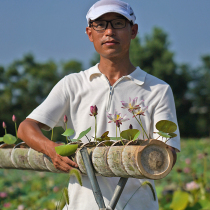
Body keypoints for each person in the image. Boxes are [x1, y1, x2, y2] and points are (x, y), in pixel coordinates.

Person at [17, 0, 180, 209]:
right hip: (80, 205)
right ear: (89, 33)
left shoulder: (158, 89)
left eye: (118, 23)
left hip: (137, 204)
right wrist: (51, 149)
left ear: (133, 31)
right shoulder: (73, 84)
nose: (109, 31)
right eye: (100, 24)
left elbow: (168, 154)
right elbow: (25, 128)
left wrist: (144, 154)